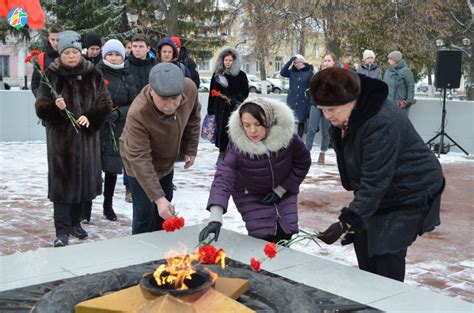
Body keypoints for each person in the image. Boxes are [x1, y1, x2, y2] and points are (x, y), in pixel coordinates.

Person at [311, 67, 444, 282]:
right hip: (383, 188)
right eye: (322, 109)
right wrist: (354, 220)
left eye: (332, 109)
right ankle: (371, 298)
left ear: (352, 99)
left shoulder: (380, 122)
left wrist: (346, 221)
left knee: (385, 249)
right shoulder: (346, 115)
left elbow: (375, 180)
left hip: (411, 189)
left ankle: (389, 301)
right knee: (362, 242)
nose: (327, 115)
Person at [35, 30, 112, 247]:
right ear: (60, 53)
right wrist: (54, 107)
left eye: (74, 52)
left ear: (81, 53)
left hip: (87, 141)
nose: (71, 56)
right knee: (62, 187)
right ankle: (61, 230)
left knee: (83, 185)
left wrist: (91, 117)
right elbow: (40, 107)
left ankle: (76, 223)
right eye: (66, 52)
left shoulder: (93, 73)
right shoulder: (50, 74)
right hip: (61, 143)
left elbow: (105, 103)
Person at [199, 97, 311, 244]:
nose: (252, 131)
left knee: (285, 234)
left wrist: (282, 189)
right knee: (262, 237)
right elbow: (223, 179)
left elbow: (302, 163)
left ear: (269, 121)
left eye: (258, 124)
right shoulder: (237, 147)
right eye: (246, 125)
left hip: (284, 192)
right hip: (250, 195)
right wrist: (215, 218)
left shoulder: (288, 139)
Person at [120, 63, 201, 234]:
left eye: (175, 99)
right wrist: (157, 198)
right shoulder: (138, 113)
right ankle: (141, 254)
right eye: (164, 99)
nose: (171, 105)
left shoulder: (189, 88)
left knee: (165, 205)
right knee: (144, 213)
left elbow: (194, 117)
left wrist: (191, 147)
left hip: (166, 161)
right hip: (138, 164)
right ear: (152, 91)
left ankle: (160, 249)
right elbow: (140, 159)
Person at [90, 39, 138, 222]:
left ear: (123, 56)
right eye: (110, 54)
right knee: (92, 167)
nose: (113, 57)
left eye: (117, 54)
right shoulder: (95, 74)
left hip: (117, 126)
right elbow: (87, 97)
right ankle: (86, 206)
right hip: (95, 125)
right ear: (104, 55)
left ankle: (107, 205)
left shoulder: (128, 77)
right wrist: (99, 112)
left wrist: (119, 113)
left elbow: (134, 103)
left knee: (111, 168)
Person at [208, 47, 249, 165]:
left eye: (230, 60)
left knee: (234, 132)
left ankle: (234, 156)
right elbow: (212, 92)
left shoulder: (241, 75)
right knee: (221, 132)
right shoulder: (217, 75)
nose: (227, 62)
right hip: (220, 108)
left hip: (235, 108)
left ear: (234, 61)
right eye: (225, 60)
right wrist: (211, 110)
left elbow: (245, 91)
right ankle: (221, 154)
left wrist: (235, 100)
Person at [305, 53, 335, 164]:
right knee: (311, 129)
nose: (326, 62)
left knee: (326, 131)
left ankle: (322, 153)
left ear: (333, 63)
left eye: (329, 60)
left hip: (329, 106)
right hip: (316, 105)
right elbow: (312, 90)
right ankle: (307, 152)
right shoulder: (317, 75)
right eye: (325, 60)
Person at [280, 54, 314, 137]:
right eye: (294, 63)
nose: (296, 64)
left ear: (302, 62)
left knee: (301, 120)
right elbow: (282, 73)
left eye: (297, 62)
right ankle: (290, 139)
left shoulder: (309, 72)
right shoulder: (292, 71)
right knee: (290, 119)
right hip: (292, 99)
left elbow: (312, 86)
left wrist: (309, 97)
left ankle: (299, 139)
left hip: (303, 100)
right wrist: (290, 61)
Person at [31, 25, 62, 97]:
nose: (55, 43)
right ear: (49, 39)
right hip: (47, 105)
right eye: (53, 39)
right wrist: (41, 98)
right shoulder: (42, 58)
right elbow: (35, 83)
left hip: (68, 105)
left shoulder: (71, 57)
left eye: (58, 40)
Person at [383, 50, 415, 115]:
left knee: (400, 123)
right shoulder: (387, 71)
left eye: (390, 59)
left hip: (400, 105)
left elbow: (411, 86)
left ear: (396, 60)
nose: (388, 61)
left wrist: (407, 102)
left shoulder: (406, 71)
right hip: (388, 104)